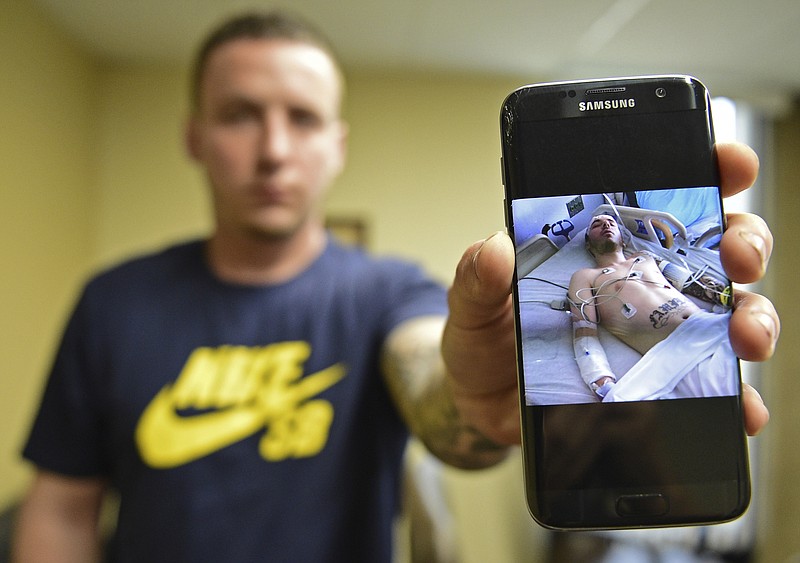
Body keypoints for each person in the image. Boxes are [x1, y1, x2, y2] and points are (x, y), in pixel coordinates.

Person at [12, 10, 778, 563]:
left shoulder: (387, 294)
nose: (274, 149)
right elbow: (61, 508)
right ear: (195, 136)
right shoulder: (113, 301)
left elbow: (440, 397)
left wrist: (475, 400)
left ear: (336, 144)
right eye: (241, 115)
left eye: (303, 119)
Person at [568, 212, 749, 401]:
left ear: (623, 239)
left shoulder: (645, 257)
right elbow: (584, 333)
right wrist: (601, 382)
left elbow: (690, 282)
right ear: (588, 244)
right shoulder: (586, 276)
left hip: (710, 325)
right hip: (675, 355)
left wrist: (731, 298)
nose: (605, 225)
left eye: (611, 222)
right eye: (597, 224)